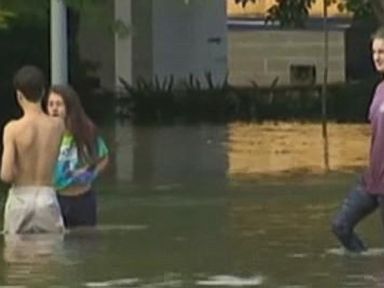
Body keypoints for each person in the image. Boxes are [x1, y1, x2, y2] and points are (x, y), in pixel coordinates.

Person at [331, 27, 384, 252]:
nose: (377, 57)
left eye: (382, 52)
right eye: (374, 52)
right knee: (341, 226)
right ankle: (363, 267)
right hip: (371, 180)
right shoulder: (379, 89)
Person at [0, 65, 65, 234]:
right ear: (43, 92)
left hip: (20, 198)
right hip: (46, 197)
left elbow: (6, 174)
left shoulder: (13, 129)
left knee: (18, 256)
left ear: (19, 95)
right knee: (48, 255)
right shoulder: (58, 126)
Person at [46, 84, 109, 228]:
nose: (54, 109)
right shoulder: (46, 134)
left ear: (69, 106)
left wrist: (91, 174)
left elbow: (104, 157)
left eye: (59, 104)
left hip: (83, 198)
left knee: (86, 242)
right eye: (50, 104)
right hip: (57, 198)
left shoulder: (86, 130)